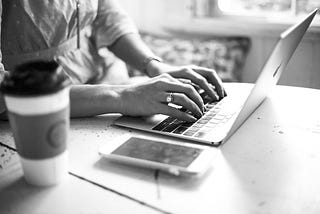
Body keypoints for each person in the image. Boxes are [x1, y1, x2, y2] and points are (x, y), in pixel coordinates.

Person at [0, 0, 226, 122]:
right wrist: (123, 96)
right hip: (39, 108)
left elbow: (106, 15)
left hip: (105, 83)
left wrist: (154, 65)